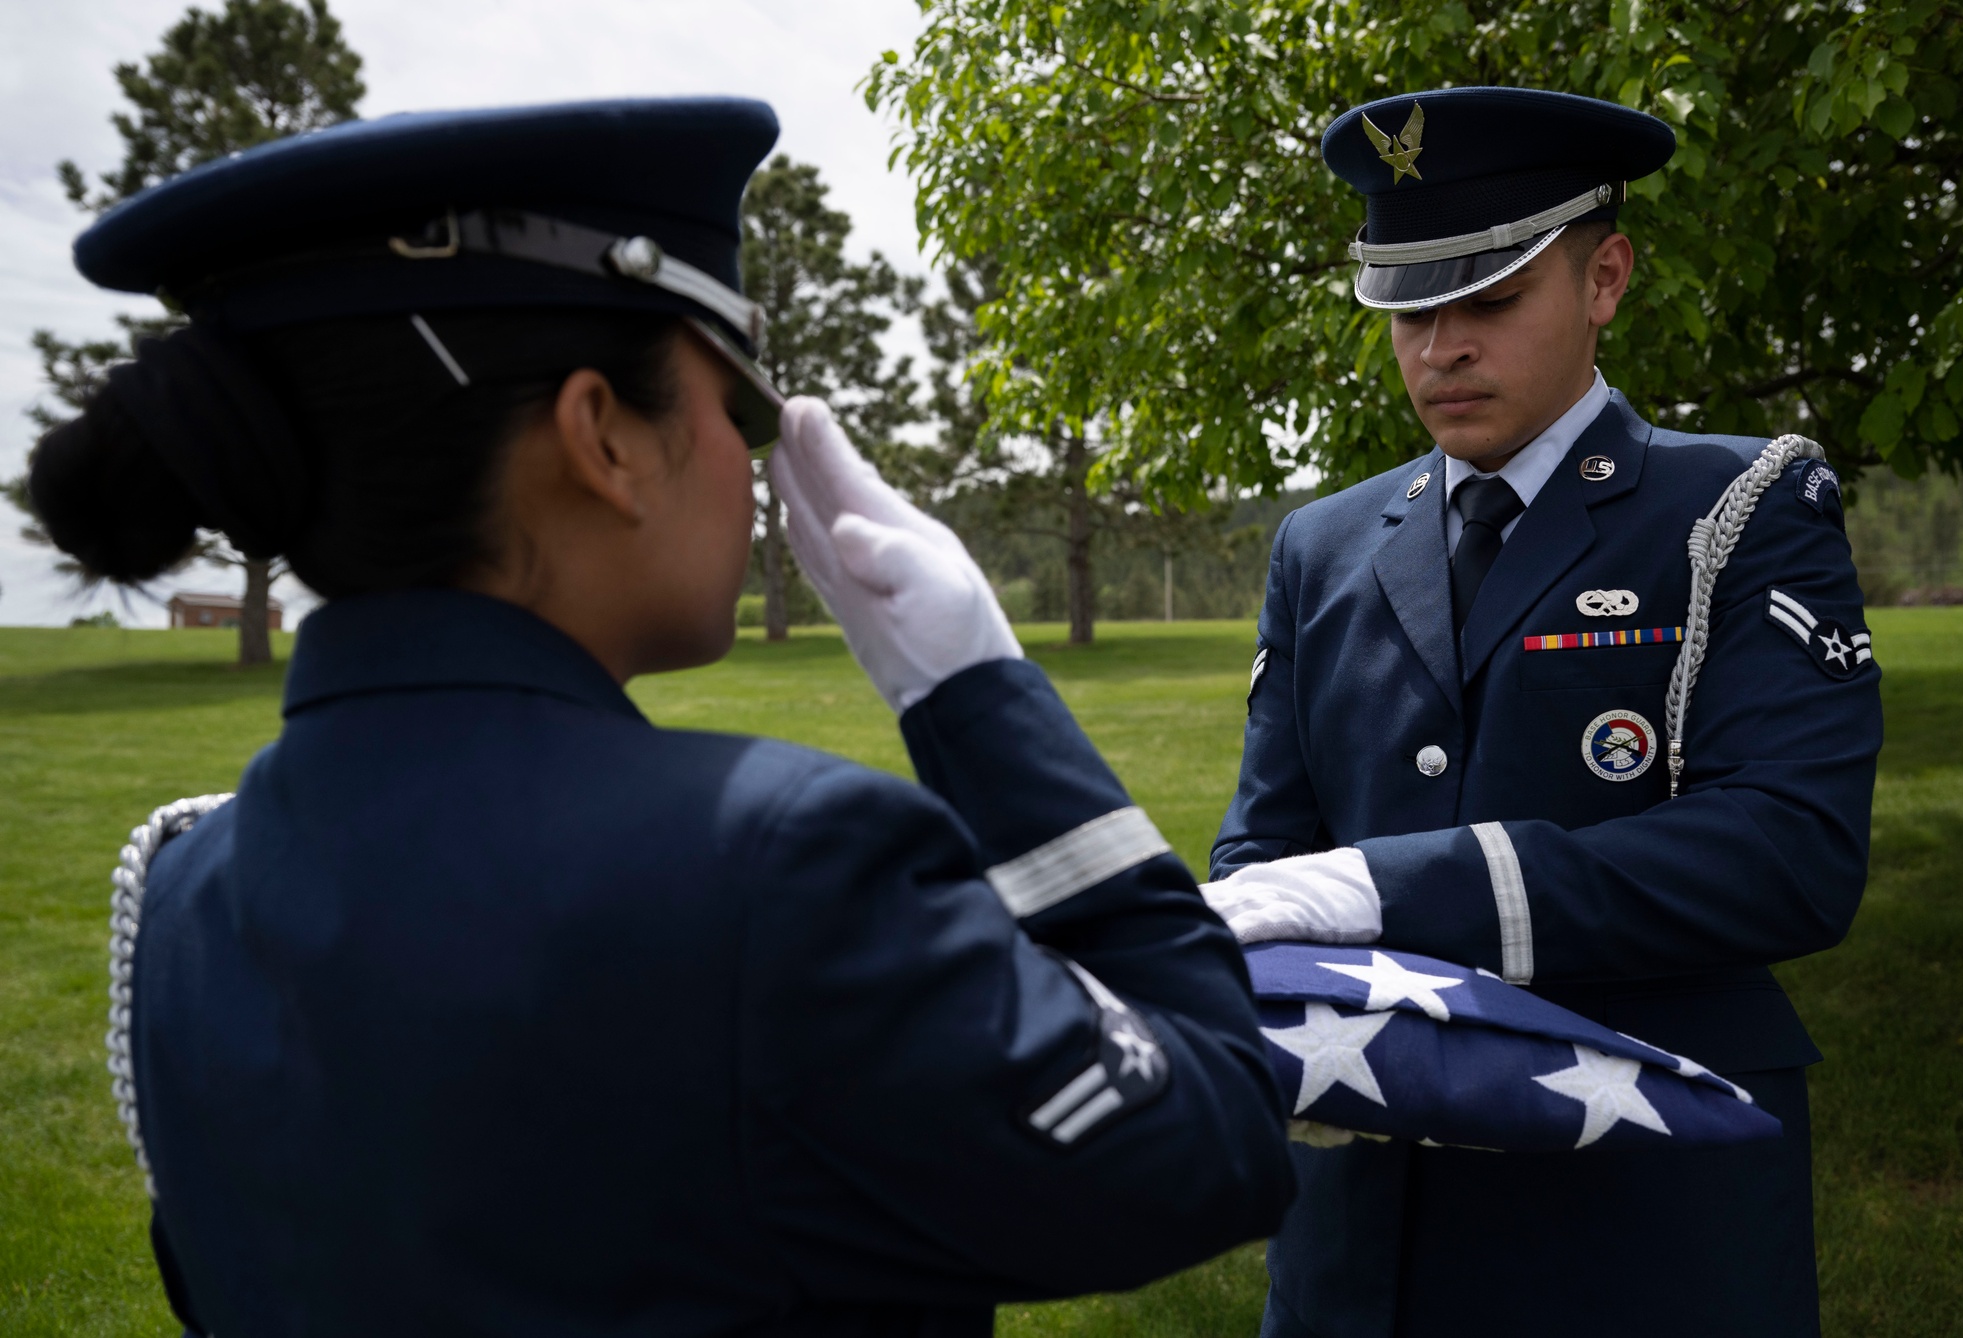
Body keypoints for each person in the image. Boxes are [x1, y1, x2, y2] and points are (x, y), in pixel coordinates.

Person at [34, 99, 1294, 1337]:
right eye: (738, 408)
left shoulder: (188, 891)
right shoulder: (780, 866)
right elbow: (1215, 1141)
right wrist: (977, 696)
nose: (752, 466)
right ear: (604, 437)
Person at [1203, 87, 1882, 1336]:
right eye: (1409, 304)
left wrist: (1399, 890)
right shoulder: (1324, 543)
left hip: (1633, 1203)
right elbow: (1266, 852)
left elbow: (1790, 853)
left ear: (1605, 278)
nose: (1439, 344)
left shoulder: (1737, 506)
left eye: (1490, 297)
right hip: (1361, 1211)